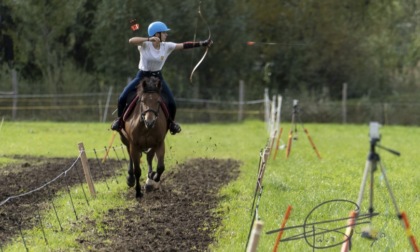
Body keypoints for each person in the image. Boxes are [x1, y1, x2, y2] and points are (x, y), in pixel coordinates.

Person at [111, 21, 212, 134]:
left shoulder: (166, 46)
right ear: (157, 34)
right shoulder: (144, 44)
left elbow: (183, 45)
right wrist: (149, 39)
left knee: (172, 102)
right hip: (142, 76)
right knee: (122, 97)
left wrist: (202, 43)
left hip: (157, 78)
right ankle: (119, 121)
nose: (166, 35)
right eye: (164, 33)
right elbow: (131, 40)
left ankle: (172, 124)